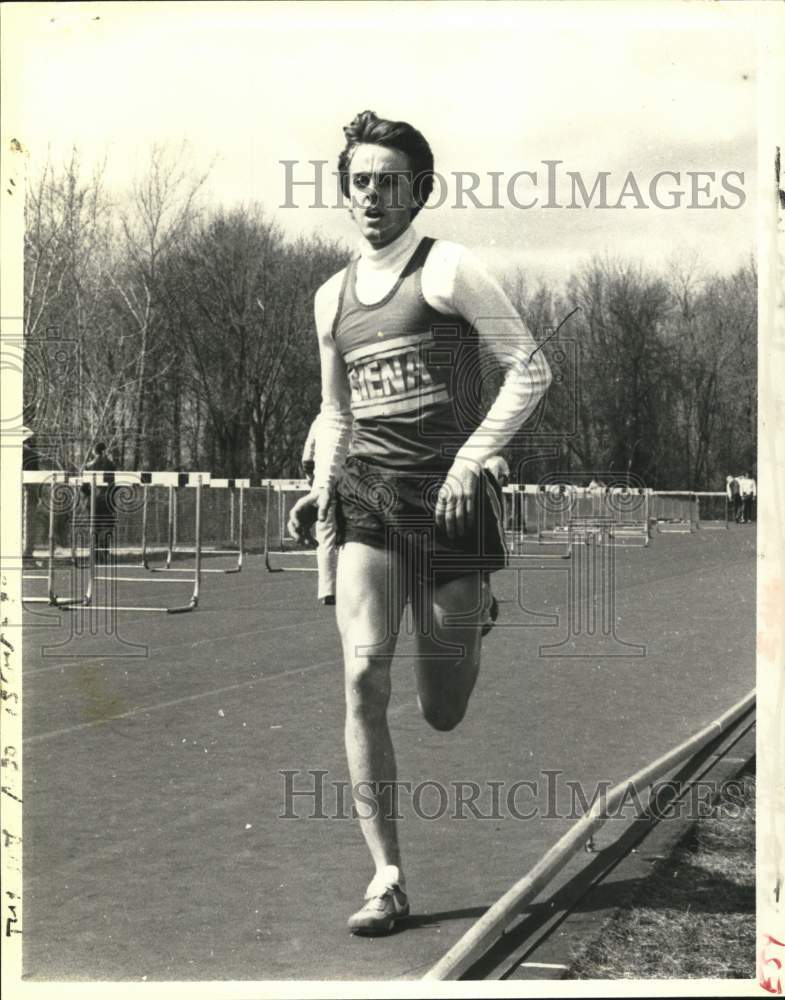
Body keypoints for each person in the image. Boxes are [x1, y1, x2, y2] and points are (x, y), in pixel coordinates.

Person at [288, 110, 552, 935]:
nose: (373, 195)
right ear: (345, 190)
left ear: (418, 191)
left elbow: (531, 367)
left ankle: (474, 622)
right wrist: (316, 483)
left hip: (449, 507)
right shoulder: (330, 298)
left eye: (390, 182)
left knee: (442, 707)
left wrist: (472, 460)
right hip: (367, 500)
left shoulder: (449, 272)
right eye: (360, 181)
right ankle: (387, 878)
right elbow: (334, 413)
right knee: (363, 678)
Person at [301, 415, 338, 605]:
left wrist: (311, 479)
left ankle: (327, 590)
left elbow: (307, 458)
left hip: (322, 484)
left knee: (325, 539)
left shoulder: (319, 420)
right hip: (352, 483)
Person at [83, 442, 117, 561]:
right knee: (107, 527)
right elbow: (115, 483)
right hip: (107, 499)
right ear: (104, 451)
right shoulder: (111, 465)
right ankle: (104, 552)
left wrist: (89, 496)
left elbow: (83, 486)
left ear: (94, 451)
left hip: (93, 500)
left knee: (94, 527)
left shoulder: (88, 465)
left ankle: (94, 553)